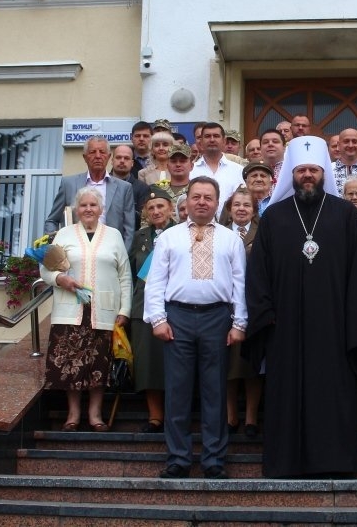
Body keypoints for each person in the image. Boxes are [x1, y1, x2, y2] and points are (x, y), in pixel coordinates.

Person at [245, 136, 357, 478]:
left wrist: (354, 320)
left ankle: (335, 461)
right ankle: (285, 463)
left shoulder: (345, 215)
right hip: (285, 327)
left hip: (335, 326)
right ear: (291, 175)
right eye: (301, 170)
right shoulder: (274, 217)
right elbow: (258, 274)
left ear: (323, 172)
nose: (307, 175)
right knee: (287, 393)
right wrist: (266, 315)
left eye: (313, 170)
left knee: (333, 391)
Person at [143, 177, 248, 480]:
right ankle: (178, 458)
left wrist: (239, 322)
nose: (202, 202)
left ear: (217, 203)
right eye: (196, 197)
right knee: (177, 391)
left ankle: (214, 459)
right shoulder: (169, 237)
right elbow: (156, 281)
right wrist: (158, 319)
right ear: (186, 201)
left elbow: (240, 283)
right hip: (177, 318)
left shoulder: (231, 239)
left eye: (208, 197)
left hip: (218, 318)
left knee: (215, 390)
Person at [41, 187, 131, 432]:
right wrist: (60, 279)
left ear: (101, 209)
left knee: (99, 364)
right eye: (83, 205)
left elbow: (124, 276)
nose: (88, 209)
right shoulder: (63, 234)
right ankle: (73, 415)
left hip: (104, 311)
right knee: (71, 364)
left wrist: (124, 310)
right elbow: (46, 269)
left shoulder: (113, 235)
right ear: (76, 209)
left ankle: (95, 415)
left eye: (93, 205)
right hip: (71, 311)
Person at [129, 185, 175, 434]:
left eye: (160, 206)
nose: (156, 211)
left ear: (170, 208)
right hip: (143, 307)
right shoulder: (139, 237)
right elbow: (130, 272)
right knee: (148, 363)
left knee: (173, 362)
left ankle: (175, 414)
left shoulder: (180, 233)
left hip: (173, 306)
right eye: (151, 208)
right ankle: (155, 415)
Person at [219, 187, 263, 438]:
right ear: (229, 209)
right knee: (229, 364)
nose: (241, 209)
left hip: (254, 305)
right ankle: (230, 415)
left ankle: (251, 418)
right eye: (237, 205)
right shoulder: (219, 233)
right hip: (225, 306)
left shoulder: (264, 232)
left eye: (247, 205)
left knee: (250, 364)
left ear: (254, 211)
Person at [45, 136, 136, 254]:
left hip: (110, 252)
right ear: (85, 157)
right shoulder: (68, 184)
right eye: (93, 152)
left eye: (102, 152)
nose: (98, 156)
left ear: (109, 157)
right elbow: (52, 221)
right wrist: (56, 248)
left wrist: (122, 255)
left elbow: (129, 229)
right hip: (74, 253)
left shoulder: (124, 188)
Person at [190, 122, 246, 215]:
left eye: (216, 136)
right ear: (201, 142)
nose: (212, 140)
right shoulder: (191, 170)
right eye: (207, 136)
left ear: (224, 141)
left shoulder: (238, 170)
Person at [110, 143, 151, 214]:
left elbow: (143, 216)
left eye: (126, 158)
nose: (122, 161)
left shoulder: (142, 188)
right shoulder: (102, 183)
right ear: (112, 161)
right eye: (118, 157)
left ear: (132, 163)